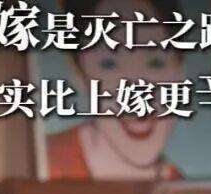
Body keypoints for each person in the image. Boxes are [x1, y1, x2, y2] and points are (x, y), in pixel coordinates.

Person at [46, 0, 186, 180]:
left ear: (179, 74)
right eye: (109, 64)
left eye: (155, 63)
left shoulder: (184, 191)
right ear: (81, 77)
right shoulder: (42, 164)